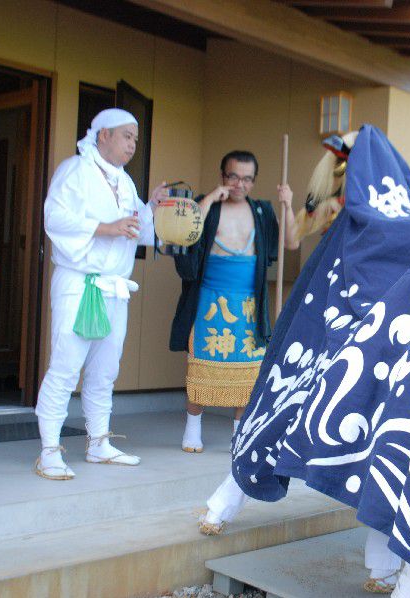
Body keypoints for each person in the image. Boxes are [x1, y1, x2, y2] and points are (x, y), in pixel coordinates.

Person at [34, 108, 168, 480]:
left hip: (114, 287)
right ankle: (49, 449)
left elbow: (137, 231)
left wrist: (151, 208)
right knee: (65, 365)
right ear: (103, 135)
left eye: (136, 139)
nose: (132, 145)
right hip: (80, 283)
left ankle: (98, 443)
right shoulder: (74, 171)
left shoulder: (124, 182)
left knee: (105, 370)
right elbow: (54, 219)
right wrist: (105, 227)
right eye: (127, 136)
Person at [169, 150, 298, 532]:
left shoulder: (261, 211)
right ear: (221, 175)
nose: (239, 184)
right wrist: (208, 199)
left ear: (255, 181)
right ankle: (192, 427)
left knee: (248, 375)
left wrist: (288, 206)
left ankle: (238, 435)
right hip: (210, 298)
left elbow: (289, 243)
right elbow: (183, 238)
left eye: (246, 178)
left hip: (248, 302)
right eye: (232, 177)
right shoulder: (204, 206)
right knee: (202, 364)